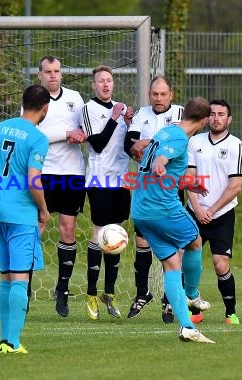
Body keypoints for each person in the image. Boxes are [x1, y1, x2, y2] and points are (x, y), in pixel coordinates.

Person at [131, 97, 215, 343]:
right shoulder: (179, 139)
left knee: (171, 265)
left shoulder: (166, 131)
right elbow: (161, 161)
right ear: (206, 120)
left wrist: (191, 183)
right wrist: (159, 163)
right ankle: (191, 295)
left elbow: (166, 171)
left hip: (141, 211)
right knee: (196, 240)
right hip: (163, 209)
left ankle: (187, 327)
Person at [0, 84, 51, 354]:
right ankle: (13, 342)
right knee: (20, 278)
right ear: (45, 108)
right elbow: (33, 179)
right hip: (21, 214)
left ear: (22, 102)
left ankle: (4, 340)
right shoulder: (38, 138)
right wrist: (43, 209)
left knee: (6, 278)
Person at [124, 75, 185, 323]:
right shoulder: (141, 114)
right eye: (154, 94)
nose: (158, 99)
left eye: (163, 94)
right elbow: (131, 145)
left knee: (176, 247)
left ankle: (170, 300)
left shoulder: (180, 113)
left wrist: (149, 142)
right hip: (146, 187)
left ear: (171, 95)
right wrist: (148, 144)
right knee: (142, 242)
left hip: (171, 186)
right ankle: (142, 293)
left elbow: (180, 143)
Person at [186, 99, 242, 325]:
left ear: (229, 119)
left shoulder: (237, 146)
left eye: (221, 114)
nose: (216, 118)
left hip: (221, 214)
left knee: (220, 264)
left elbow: (236, 186)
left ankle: (230, 311)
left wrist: (211, 210)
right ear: (206, 118)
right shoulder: (194, 142)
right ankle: (193, 310)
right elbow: (188, 178)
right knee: (186, 259)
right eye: (212, 114)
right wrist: (198, 206)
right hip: (194, 212)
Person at [82, 65, 133, 320]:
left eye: (109, 81)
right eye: (101, 81)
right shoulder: (88, 109)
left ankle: (109, 294)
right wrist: (114, 118)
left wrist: (128, 124)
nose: (105, 84)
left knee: (116, 237)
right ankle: (91, 293)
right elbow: (99, 145)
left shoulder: (122, 110)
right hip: (99, 180)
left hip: (122, 180)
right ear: (94, 85)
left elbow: (125, 147)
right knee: (100, 233)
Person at [36, 55, 86, 317]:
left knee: (68, 230)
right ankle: (25, 287)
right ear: (40, 74)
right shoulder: (33, 99)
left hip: (72, 173)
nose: (53, 75)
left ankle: (62, 292)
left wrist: (81, 134)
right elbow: (31, 135)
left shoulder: (75, 98)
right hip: (43, 172)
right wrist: (65, 134)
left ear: (62, 74)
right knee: (37, 226)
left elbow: (86, 127)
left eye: (57, 71)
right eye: (48, 71)